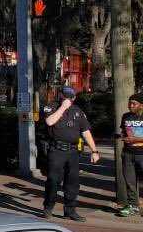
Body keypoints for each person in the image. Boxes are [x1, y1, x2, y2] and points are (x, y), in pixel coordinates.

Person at [42, 86, 101, 221]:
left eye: (70, 96)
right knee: (53, 180)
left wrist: (94, 151)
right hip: (56, 150)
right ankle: (48, 207)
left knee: (72, 182)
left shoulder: (78, 112)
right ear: (61, 95)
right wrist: (62, 108)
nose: (67, 98)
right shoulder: (51, 107)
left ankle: (70, 210)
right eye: (65, 95)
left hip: (73, 151)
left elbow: (86, 132)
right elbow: (49, 121)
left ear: (74, 98)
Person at [116, 93, 143, 217]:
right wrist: (121, 136)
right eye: (129, 103)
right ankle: (133, 206)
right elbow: (124, 132)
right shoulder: (126, 116)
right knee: (130, 181)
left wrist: (135, 140)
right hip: (128, 154)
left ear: (141, 105)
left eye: (134, 103)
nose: (130, 105)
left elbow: (134, 138)